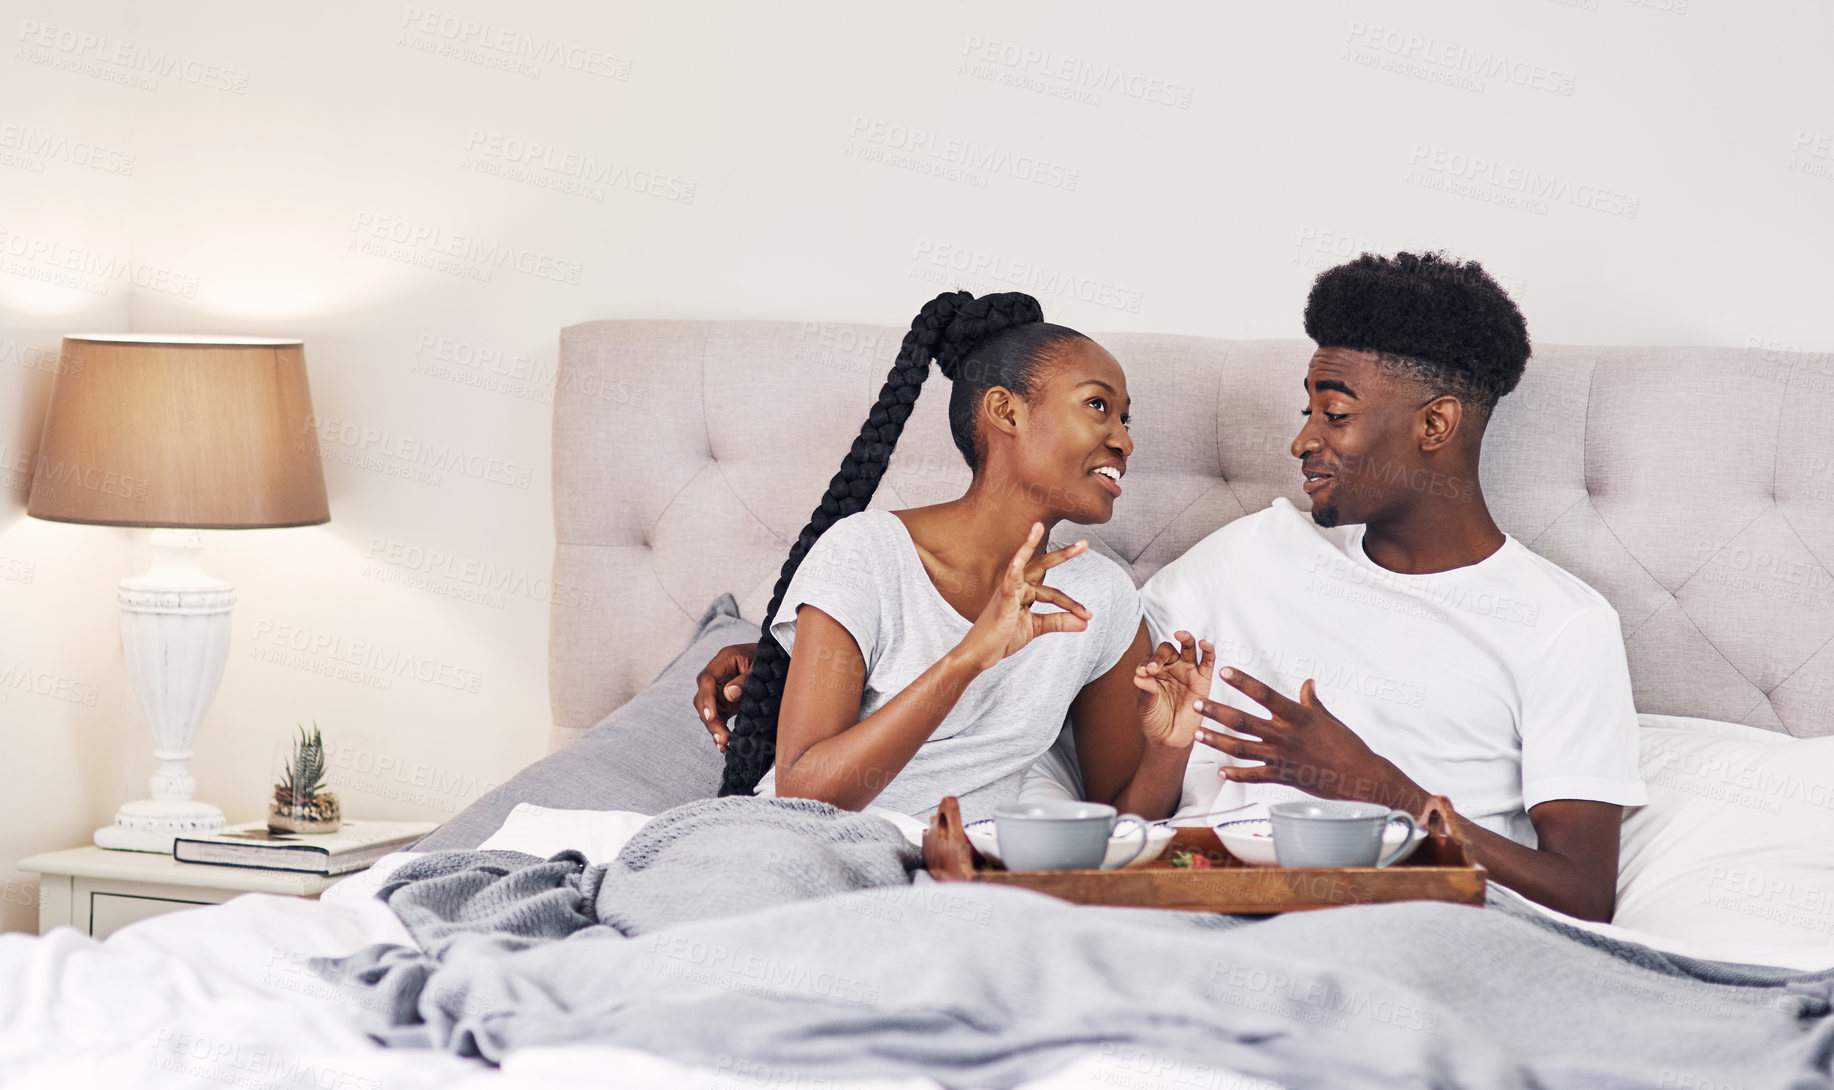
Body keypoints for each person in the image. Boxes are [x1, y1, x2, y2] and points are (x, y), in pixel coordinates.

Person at [698, 254, 1647, 923]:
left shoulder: (1562, 625)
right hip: (1175, 904)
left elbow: (1580, 894)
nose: (1302, 441)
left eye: (1335, 413)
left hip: (1390, 916)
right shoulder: (1249, 558)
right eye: (1305, 408)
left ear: (1434, 426)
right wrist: (780, 656)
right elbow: (1045, 632)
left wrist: (1377, 786)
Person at [703, 289, 1215, 824]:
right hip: (812, 844)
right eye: (1097, 406)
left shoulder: (1100, 596)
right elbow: (803, 796)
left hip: (964, 871)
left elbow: (1119, 820)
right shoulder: (867, 553)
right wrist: (969, 657)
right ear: (1005, 411)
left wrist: (1170, 748)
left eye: (1125, 420)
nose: (1124, 443)